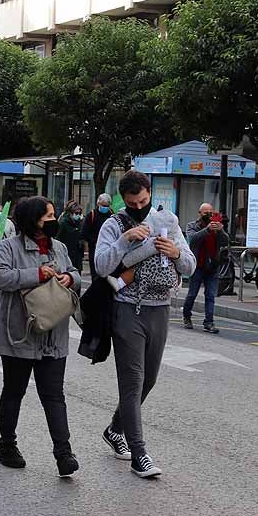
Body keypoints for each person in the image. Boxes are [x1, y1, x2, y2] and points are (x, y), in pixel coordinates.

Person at [94, 170, 196, 478]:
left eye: (144, 200)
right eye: (132, 202)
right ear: (123, 200)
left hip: (160, 309)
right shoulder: (114, 224)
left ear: (150, 194)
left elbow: (189, 265)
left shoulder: (169, 221)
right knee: (132, 382)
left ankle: (115, 429)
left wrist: (176, 252)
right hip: (127, 310)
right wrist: (125, 241)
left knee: (148, 380)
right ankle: (140, 454)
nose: (139, 205)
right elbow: (101, 266)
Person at [0, 196, 81, 477]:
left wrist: (70, 279)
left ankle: (64, 454)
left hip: (54, 335)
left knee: (53, 395)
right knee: (14, 391)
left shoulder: (60, 248)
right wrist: (35, 274)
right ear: (32, 220)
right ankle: (7, 446)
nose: (53, 220)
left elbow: (75, 273)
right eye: (47, 216)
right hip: (19, 333)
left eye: (53, 214)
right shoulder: (9, 247)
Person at [182, 203, 228, 334]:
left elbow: (225, 241)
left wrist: (221, 230)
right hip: (197, 265)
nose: (208, 215)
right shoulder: (192, 226)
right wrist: (207, 229)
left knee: (210, 296)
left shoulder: (217, 226)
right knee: (192, 294)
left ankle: (209, 322)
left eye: (210, 212)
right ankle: (186, 316)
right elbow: (193, 239)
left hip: (212, 266)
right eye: (205, 213)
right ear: (200, 213)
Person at [81, 193, 114, 278]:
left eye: (107, 205)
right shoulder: (92, 215)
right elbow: (84, 232)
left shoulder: (111, 215)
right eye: (103, 205)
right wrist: (94, 241)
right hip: (94, 248)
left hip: (108, 248)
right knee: (95, 273)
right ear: (98, 203)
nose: (105, 207)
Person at [56, 201, 85, 272]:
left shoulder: (80, 223)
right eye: (76, 213)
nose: (78, 215)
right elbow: (58, 238)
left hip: (77, 255)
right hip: (67, 254)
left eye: (79, 213)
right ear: (70, 213)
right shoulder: (63, 223)